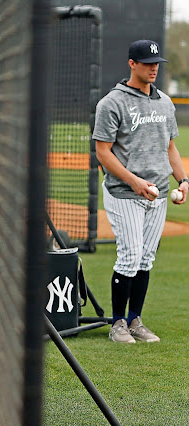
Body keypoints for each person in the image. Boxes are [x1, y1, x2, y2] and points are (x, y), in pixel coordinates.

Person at [93, 39, 188, 343]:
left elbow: (170, 147)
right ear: (132, 64)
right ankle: (118, 323)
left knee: (145, 258)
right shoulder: (112, 103)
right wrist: (133, 181)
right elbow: (103, 152)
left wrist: (183, 179)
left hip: (158, 193)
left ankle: (135, 320)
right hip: (124, 193)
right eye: (147, 63)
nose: (153, 68)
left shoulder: (165, 102)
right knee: (130, 256)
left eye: (156, 63)